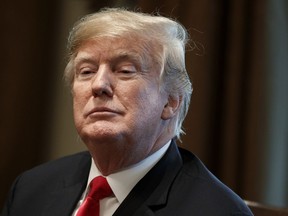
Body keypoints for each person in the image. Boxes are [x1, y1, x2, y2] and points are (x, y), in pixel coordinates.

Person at [2, 8, 253, 216]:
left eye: (125, 70)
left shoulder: (217, 211)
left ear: (171, 102)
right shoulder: (31, 188)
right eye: (86, 71)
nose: (98, 85)